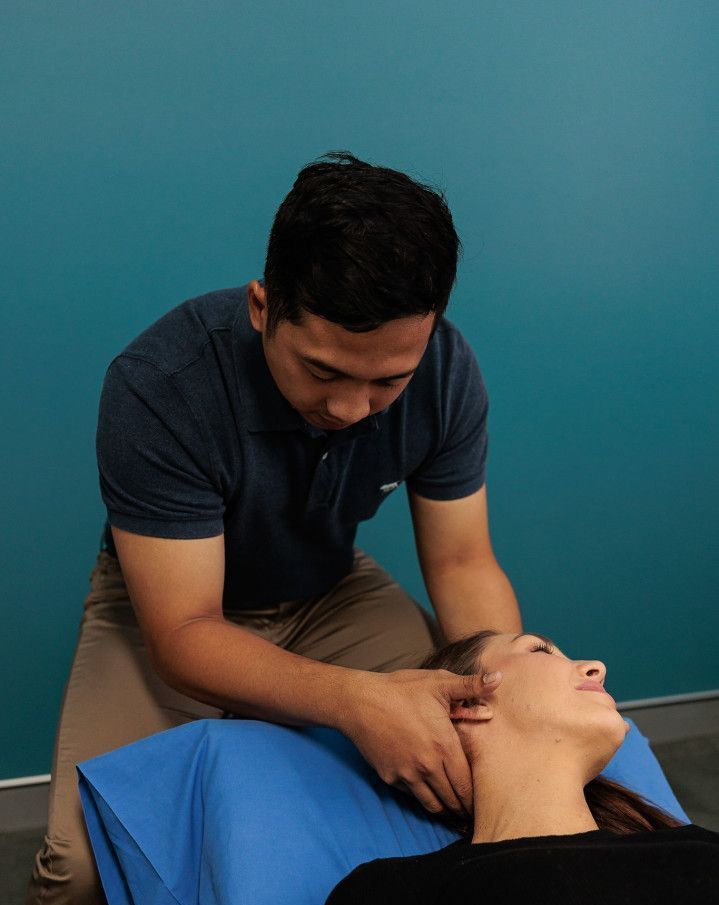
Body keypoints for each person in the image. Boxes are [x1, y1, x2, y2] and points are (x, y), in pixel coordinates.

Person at [27, 151, 520, 905]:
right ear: (263, 307)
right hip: (174, 615)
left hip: (333, 593)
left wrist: (506, 691)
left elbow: (460, 563)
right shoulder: (161, 385)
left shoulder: (446, 372)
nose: (353, 407)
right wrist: (357, 700)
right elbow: (185, 632)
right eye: (323, 371)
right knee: (85, 870)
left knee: (471, 773)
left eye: (388, 379)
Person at [326, 629, 719, 904]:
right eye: (540, 650)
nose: (596, 666)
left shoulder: (696, 849)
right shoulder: (391, 890)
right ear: (468, 702)